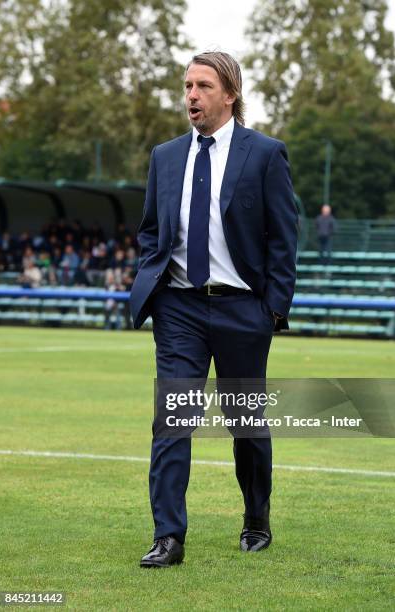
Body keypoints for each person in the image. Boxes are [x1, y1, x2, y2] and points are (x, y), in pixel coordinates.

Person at [129, 51, 298, 567]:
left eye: (202, 86)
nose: (191, 96)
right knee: (172, 420)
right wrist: (154, 287)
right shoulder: (165, 155)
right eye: (186, 86)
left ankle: (256, 518)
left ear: (230, 94)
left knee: (245, 425)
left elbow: (284, 238)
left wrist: (272, 309)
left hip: (243, 309)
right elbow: (152, 230)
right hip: (178, 308)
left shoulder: (266, 154)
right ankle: (169, 537)